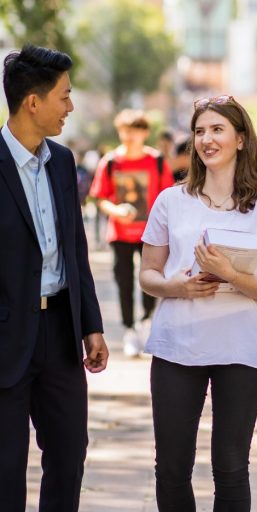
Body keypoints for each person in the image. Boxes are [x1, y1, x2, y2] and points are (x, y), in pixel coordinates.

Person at [0, 44, 108, 512]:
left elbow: (75, 250)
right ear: (32, 102)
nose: (70, 106)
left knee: (69, 455)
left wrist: (91, 325)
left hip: (60, 335)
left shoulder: (62, 162)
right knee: (2, 467)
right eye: (64, 96)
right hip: (1, 344)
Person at [139, 95, 257, 512]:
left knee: (229, 467)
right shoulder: (171, 200)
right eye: (200, 131)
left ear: (241, 139)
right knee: (170, 469)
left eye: (217, 129)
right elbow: (147, 274)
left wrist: (230, 273)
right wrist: (179, 286)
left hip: (242, 349)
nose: (207, 139)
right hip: (176, 346)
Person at [90, 110, 174, 357]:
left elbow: (168, 197)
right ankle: (129, 330)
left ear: (145, 133)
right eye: (126, 130)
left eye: (136, 130)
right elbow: (99, 198)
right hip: (120, 234)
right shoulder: (110, 162)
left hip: (151, 234)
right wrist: (115, 210)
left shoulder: (156, 161)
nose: (130, 136)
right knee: (124, 283)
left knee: (152, 278)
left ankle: (147, 322)